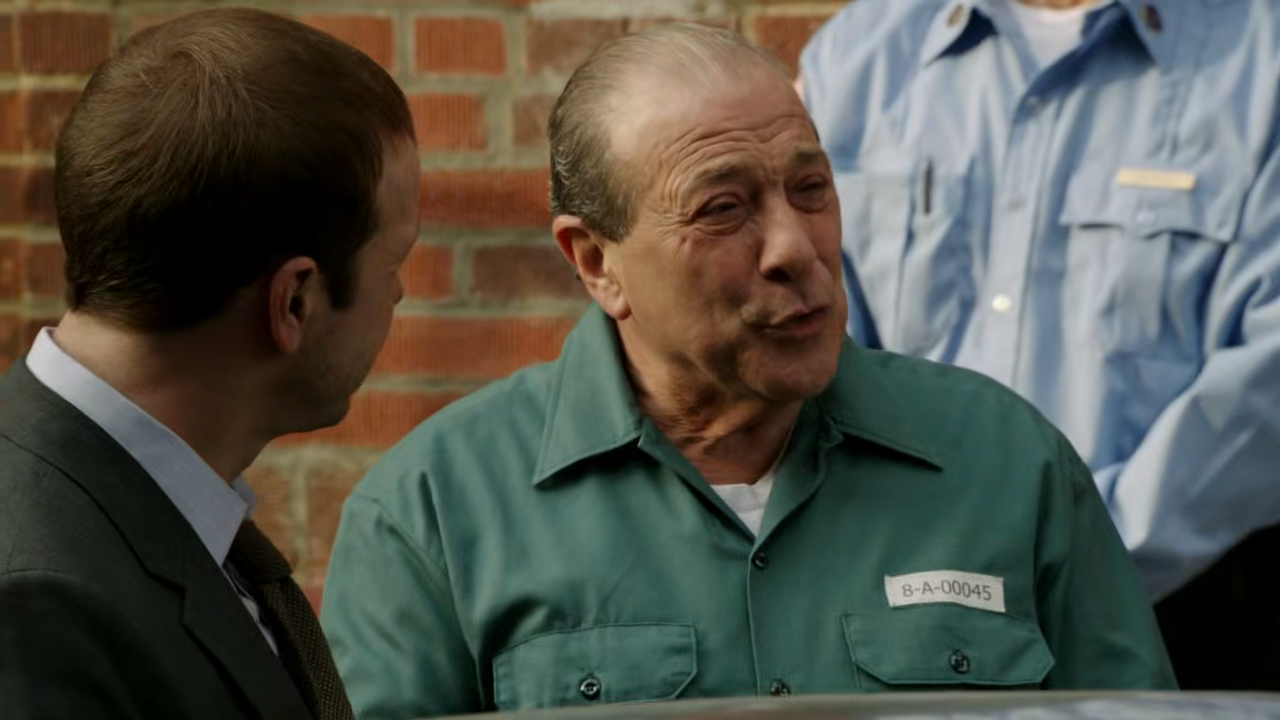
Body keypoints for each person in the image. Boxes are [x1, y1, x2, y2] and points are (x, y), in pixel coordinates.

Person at [320, 23, 1174, 718]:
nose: (795, 249)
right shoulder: (435, 514)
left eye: (811, 189)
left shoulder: (1007, 464)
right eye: (723, 209)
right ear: (596, 263)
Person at [798, 0, 1280, 690]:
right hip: (891, 621)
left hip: (1187, 622)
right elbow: (819, 344)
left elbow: (1264, 378)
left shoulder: (1262, 62)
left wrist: (1067, 566)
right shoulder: (858, 59)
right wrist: (922, 568)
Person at [0, 8, 419, 719]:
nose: (401, 292)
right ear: (294, 302)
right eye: (395, 261)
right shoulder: (35, 611)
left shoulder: (146, 515)